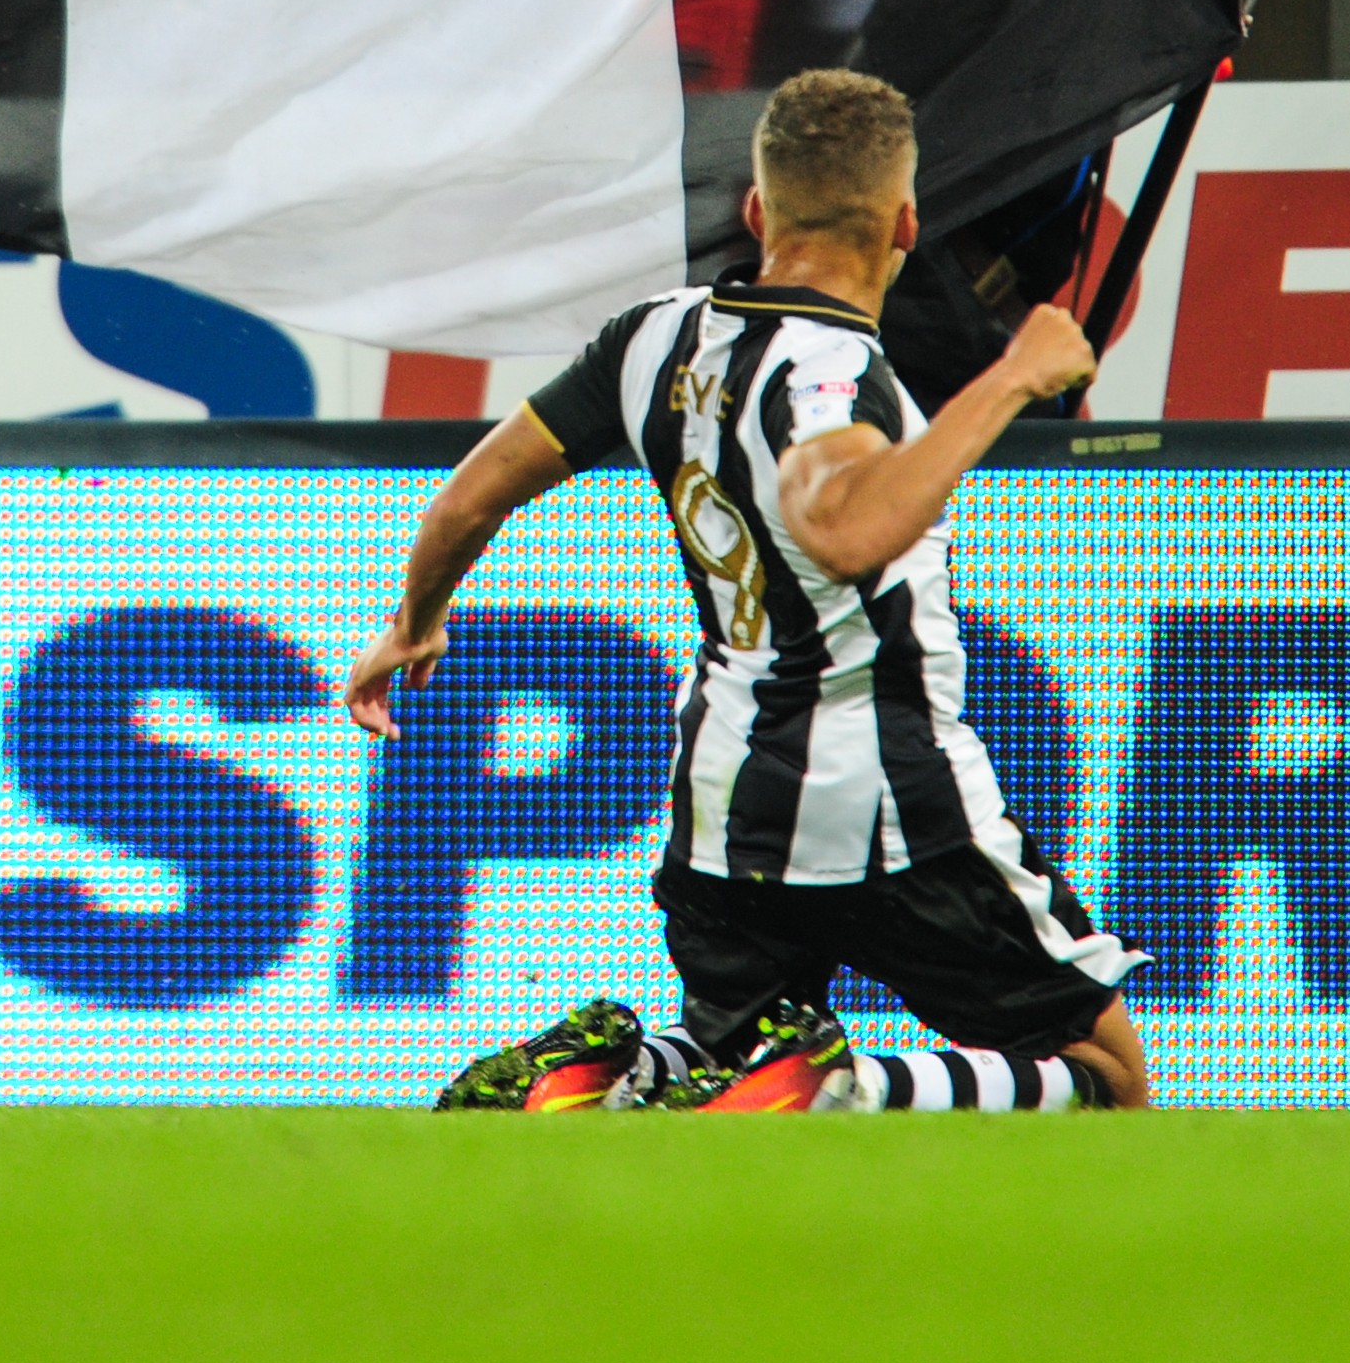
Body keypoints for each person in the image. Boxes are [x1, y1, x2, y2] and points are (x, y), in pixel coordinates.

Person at [341, 69, 1152, 1113]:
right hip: (889, 802)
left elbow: (471, 495)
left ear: (758, 210)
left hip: (723, 808)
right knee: (1108, 1079)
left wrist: (416, 622)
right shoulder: (830, 374)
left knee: (736, 1081)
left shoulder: (650, 338)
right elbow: (847, 524)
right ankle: (851, 1087)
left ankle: (630, 1071)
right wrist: (1011, 377)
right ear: (907, 223)